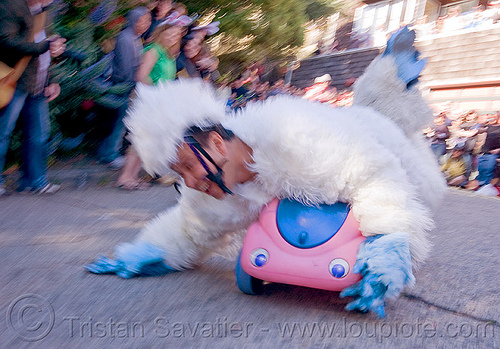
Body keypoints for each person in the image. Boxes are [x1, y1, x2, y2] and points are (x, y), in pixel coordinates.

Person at [87, 28, 446, 318]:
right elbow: (190, 229)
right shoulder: (209, 191)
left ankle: (389, 77)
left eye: (188, 166)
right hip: (345, 145)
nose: (190, 183)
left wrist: (390, 241)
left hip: (370, 131)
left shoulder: (294, 133)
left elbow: (375, 174)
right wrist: (146, 251)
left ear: (216, 142)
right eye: (178, 176)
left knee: (425, 186)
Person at [0, 0, 66, 197]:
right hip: (15, 81)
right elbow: (6, 41)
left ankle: (35, 181)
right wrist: (44, 46)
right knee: (3, 133)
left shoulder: (44, 11)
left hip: (39, 82)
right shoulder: (11, 6)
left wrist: (52, 80)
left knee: (39, 135)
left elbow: (49, 45)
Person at [116, 22, 182, 190]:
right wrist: (156, 93)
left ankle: (132, 177)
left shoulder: (168, 54)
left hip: (159, 102)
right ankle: (125, 177)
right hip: (148, 100)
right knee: (139, 140)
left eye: (176, 35)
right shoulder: (154, 50)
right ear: (161, 33)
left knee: (145, 142)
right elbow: (141, 75)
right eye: (169, 33)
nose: (172, 37)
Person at [95, 7, 151, 167]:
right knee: (117, 122)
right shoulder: (126, 38)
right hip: (121, 86)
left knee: (119, 122)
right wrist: (134, 84)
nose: (146, 24)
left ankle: (109, 152)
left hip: (126, 86)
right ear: (134, 20)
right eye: (143, 20)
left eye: (148, 20)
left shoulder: (134, 38)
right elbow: (126, 68)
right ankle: (109, 155)